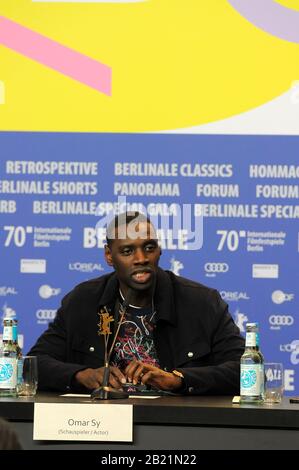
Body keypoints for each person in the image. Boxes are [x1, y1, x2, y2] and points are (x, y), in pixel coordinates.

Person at [28, 212, 245, 395]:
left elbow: (246, 370)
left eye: (149, 247)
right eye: (127, 251)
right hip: (100, 423)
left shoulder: (202, 302)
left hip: (176, 423)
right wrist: (82, 375)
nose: (141, 258)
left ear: (159, 250)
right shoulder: (83, 300)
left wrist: (180, 380)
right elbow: (33, 364)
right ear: (109, 256)